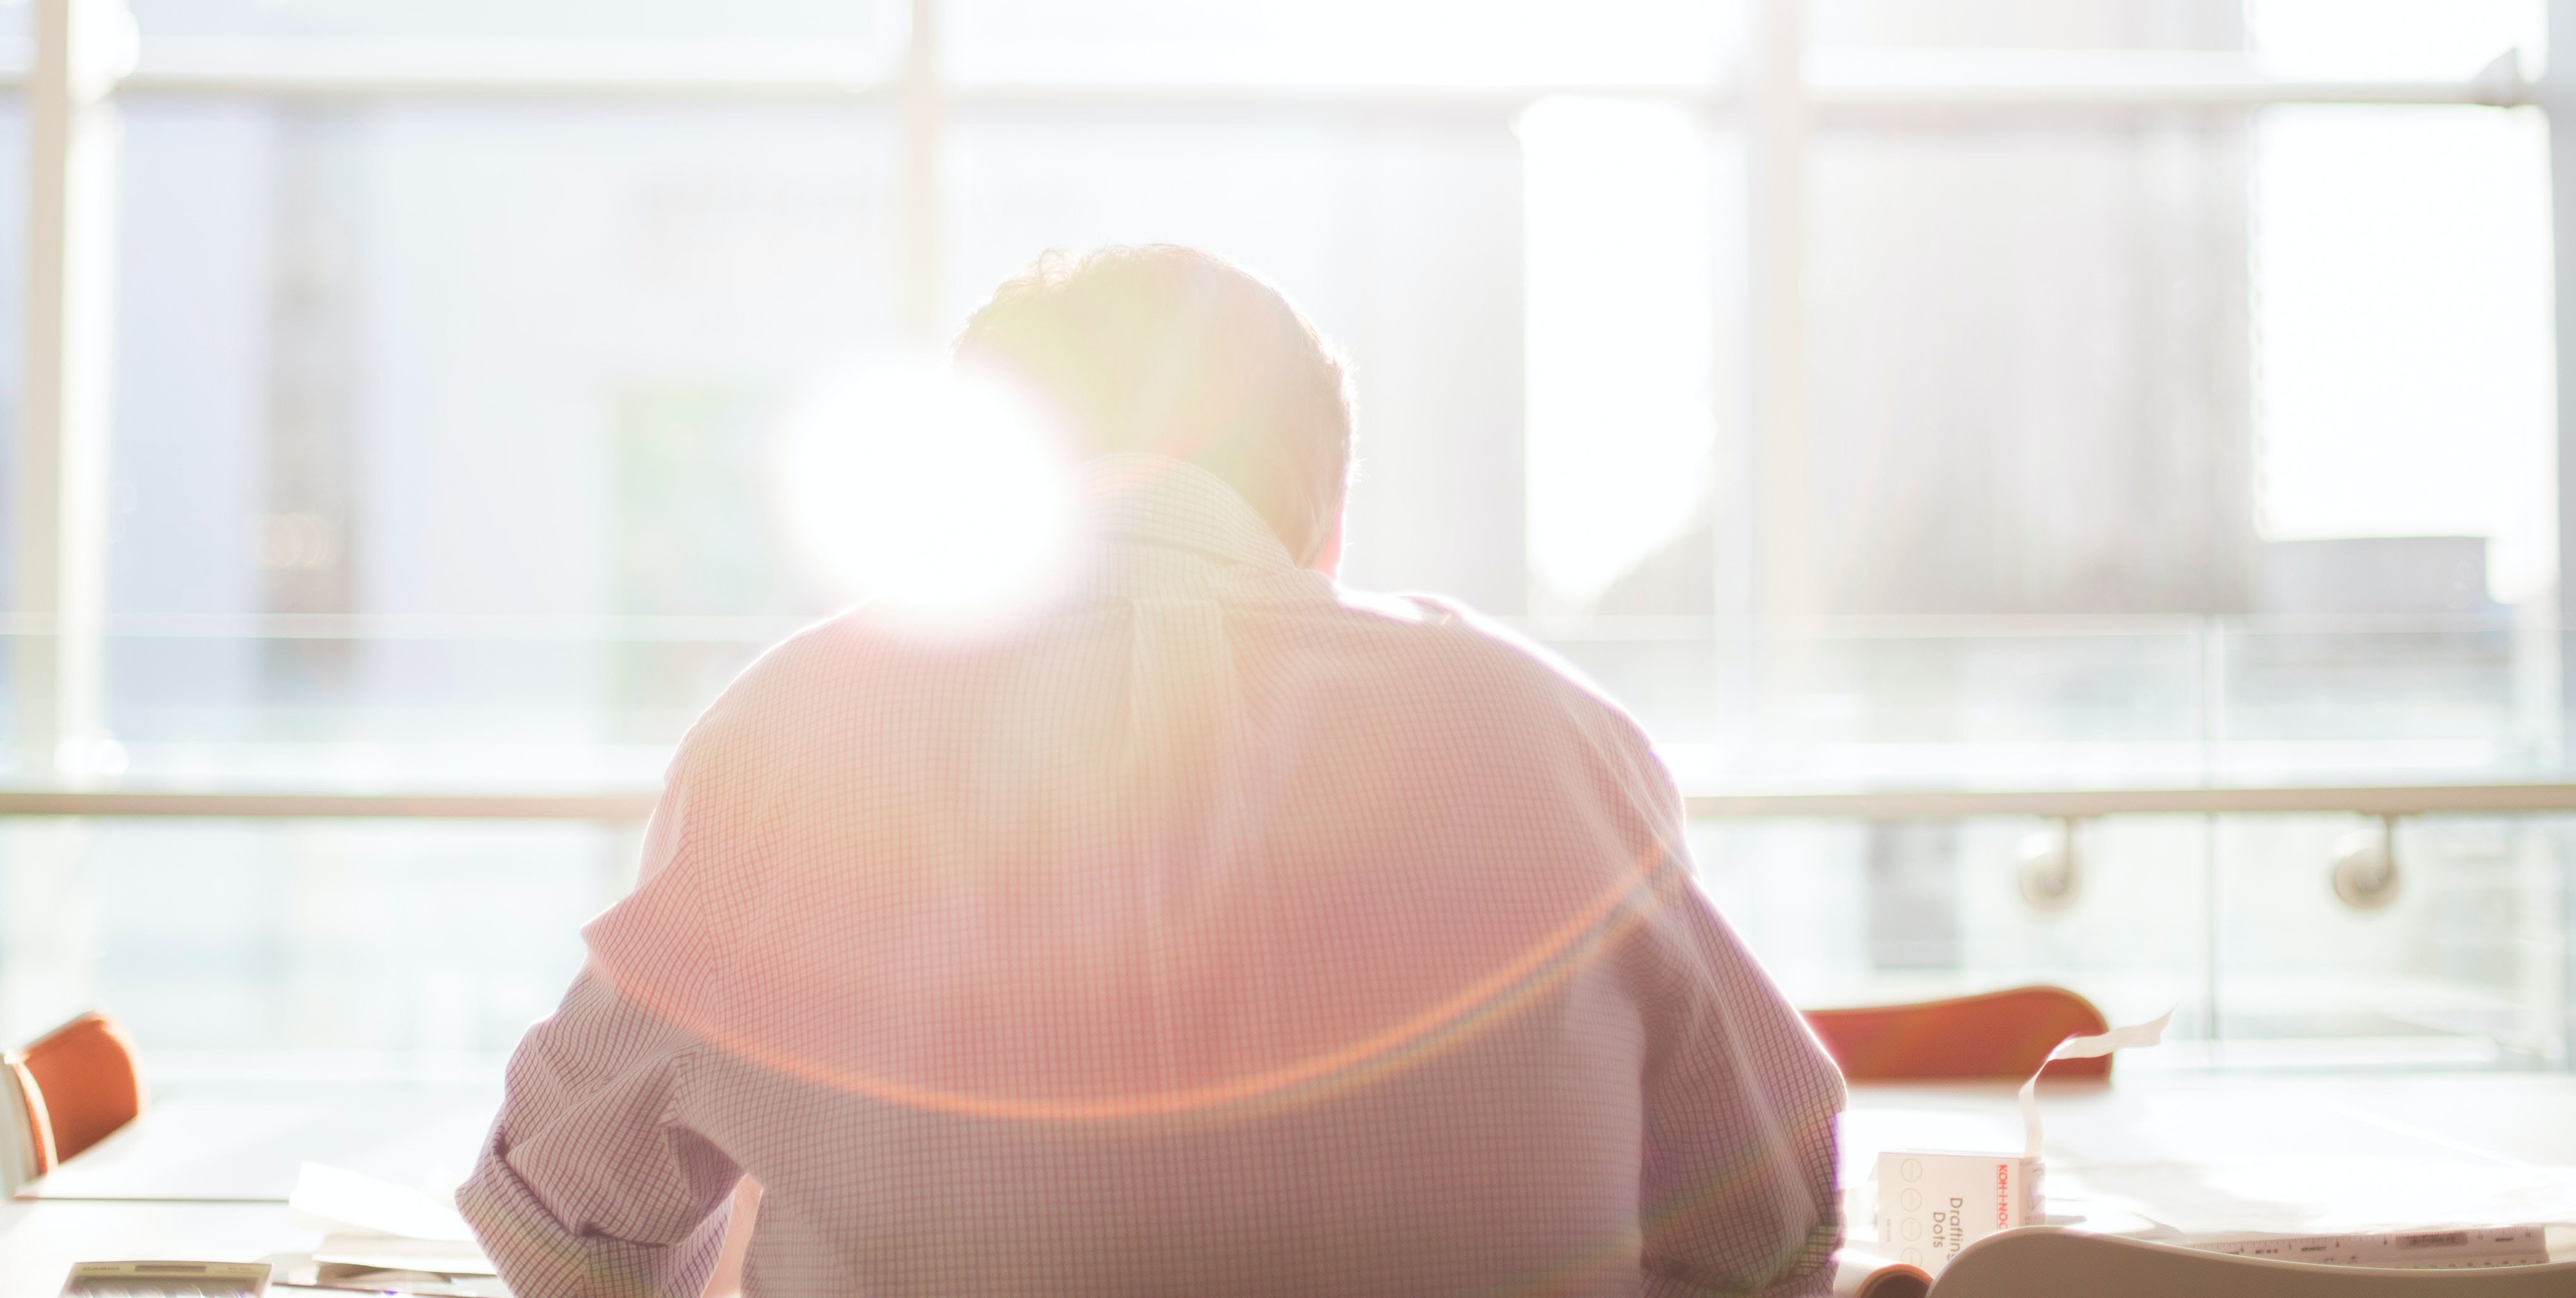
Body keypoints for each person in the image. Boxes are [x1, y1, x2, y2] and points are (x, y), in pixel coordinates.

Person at [460, 244, 1843, 1297]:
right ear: (1327, 519)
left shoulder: (799, 731)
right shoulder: (1551, 737)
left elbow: (564, 1229)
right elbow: (1770, 1226)